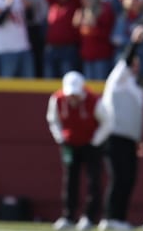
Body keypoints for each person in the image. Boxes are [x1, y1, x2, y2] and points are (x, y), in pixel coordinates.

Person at [47, 71, 113, 231]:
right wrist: (61, 138)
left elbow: (108, 122)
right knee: (70, 180)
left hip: (91, 145)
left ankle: (89, 217)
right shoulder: (57, 99)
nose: (73, 98)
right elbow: (53, 120)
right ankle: (68, 216)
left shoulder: (93, 100)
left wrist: (95, 141)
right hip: (70, 144)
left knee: (93, 181)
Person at [98, 46, 143, 231]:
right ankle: (110, 218)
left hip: (130, 140)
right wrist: (134, 43)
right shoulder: (117, 79)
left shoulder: (135, 85)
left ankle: (119, 219)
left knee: (128, 178)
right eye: (133, 64)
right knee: (118, 178)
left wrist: (138, 139)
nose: (135, 67)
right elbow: (125, 62)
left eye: (137, 64)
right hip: (114, 136)